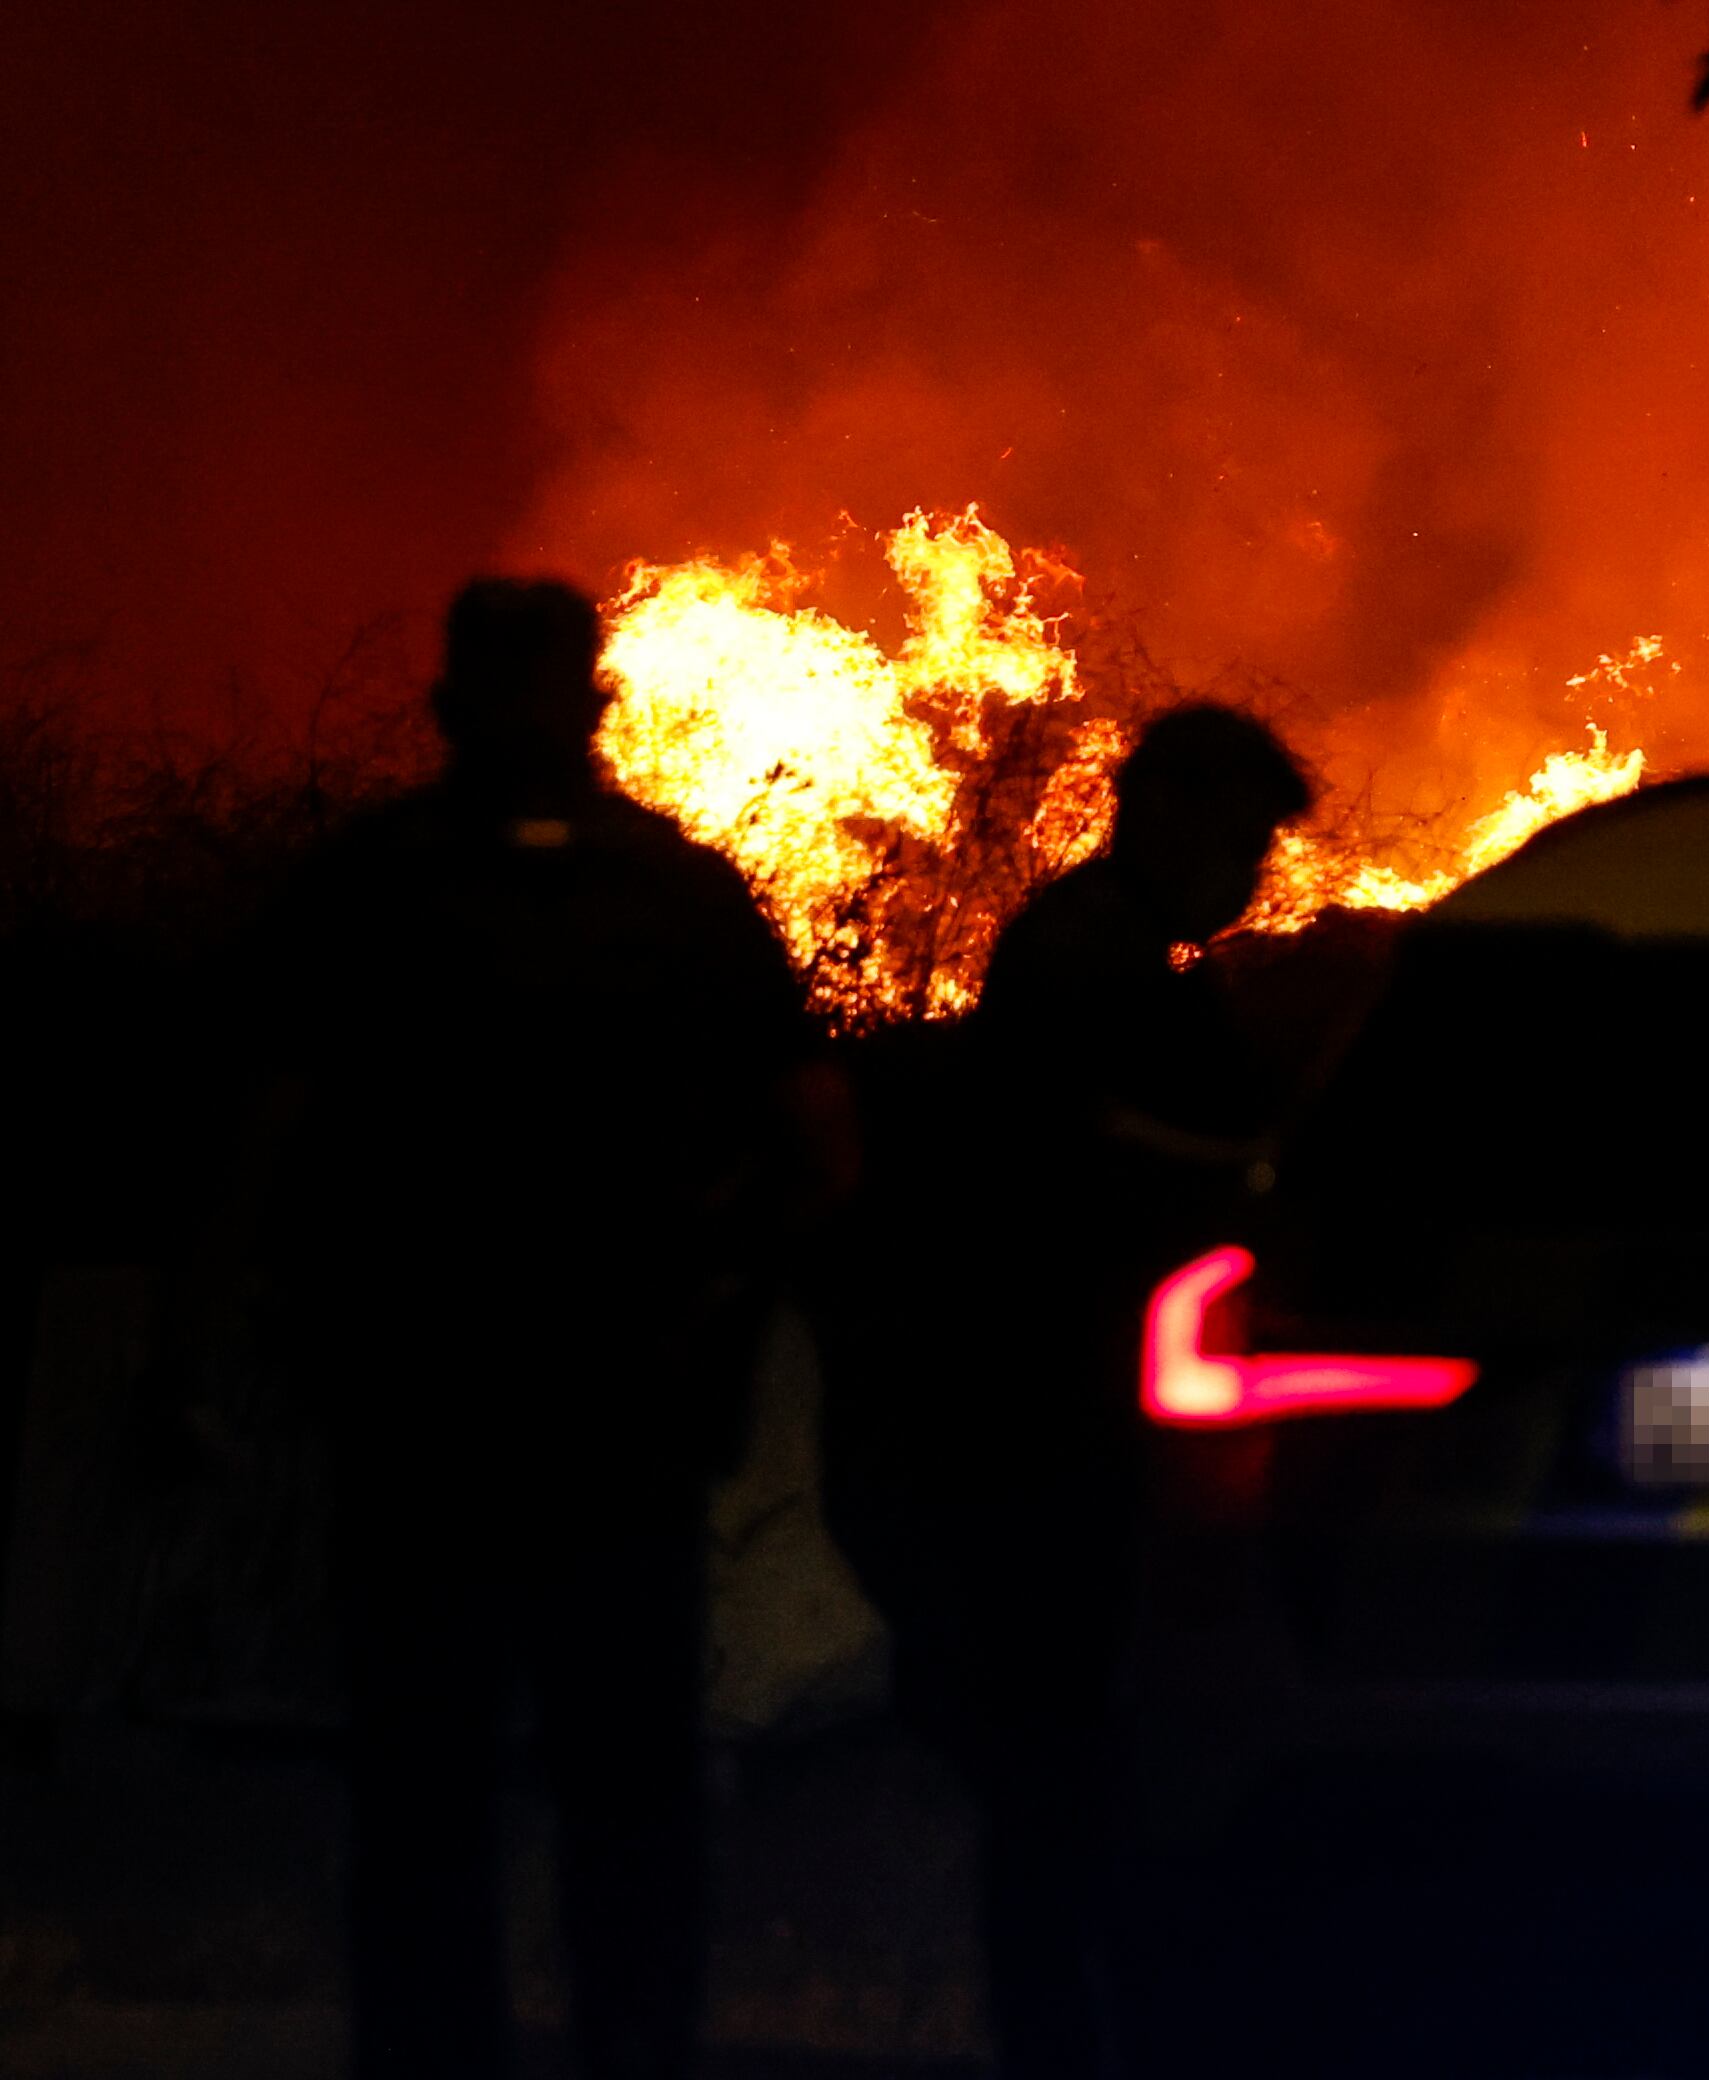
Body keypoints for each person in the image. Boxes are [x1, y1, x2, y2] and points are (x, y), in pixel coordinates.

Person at [256, 576, 841, 2080]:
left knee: (428, 1795)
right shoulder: (678, 894)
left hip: (435, 1420)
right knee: (620, 1793)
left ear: (444, 702)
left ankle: (442, 2056)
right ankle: (628, 2050)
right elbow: (819, 1145)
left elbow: (265, 1141)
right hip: (604, 1419)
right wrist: (722, 1320)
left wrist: (293, 1340)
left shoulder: (367, 885)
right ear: (596, 703)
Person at [816, 703, 1311, 2079]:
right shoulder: (1090, 961)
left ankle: (1076, 2029)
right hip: (1039, 1430)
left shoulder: (1113, 948)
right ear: (1168, 818)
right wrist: (1259, 1173)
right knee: (1060, 1769)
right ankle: (1072, 2037)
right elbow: (1118, 1141)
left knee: (1066, 1774)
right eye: (1242, 845)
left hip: (1048, 1420)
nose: (1252, 878)